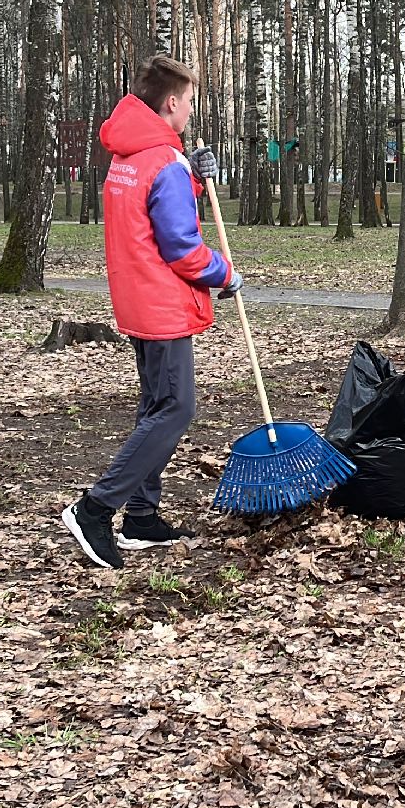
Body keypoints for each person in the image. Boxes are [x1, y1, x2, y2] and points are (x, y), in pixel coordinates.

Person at [62, 55, 237, 570]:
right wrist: (225, 274)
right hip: (161, 303)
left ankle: (140, 515)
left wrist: (196, 183)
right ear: (171, 103)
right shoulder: (164, 160)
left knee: (155, 404)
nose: (190, 112)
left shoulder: (131, 153)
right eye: (188, 102)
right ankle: (96, 508)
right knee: (176, 408)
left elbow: (153, 211)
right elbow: (182, 247)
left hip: (136, 298)